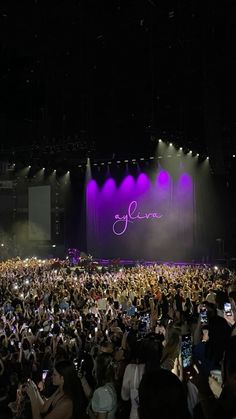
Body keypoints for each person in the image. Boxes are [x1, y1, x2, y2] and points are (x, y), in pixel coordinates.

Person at [80, 352, 117, 419]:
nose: (93, 369)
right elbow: (92, 396)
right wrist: (82, 378)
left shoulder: (103, 392)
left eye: (95, 366)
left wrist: (89, 411)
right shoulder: (109, 385)